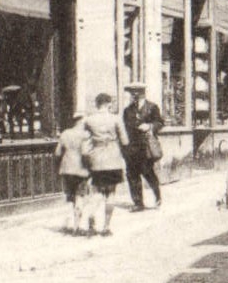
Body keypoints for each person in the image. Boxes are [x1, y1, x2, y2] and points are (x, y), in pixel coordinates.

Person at [79, 93, 125, 234]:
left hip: (96, 159)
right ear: (109, 103)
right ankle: (106, 227)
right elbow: (125, 141)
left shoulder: (88, 120)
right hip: (113, 159)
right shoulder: (116, 119)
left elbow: (83, 140)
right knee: (111, 193)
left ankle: (91, 217)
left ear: (96, 104)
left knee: (97, 191)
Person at [121, 80, 163, 210]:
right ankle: (138, 203)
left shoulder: (152, 107)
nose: (134, 95)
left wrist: (150, 126)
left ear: (143, 93)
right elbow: (125, 129)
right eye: (132, 92)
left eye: (137, 92)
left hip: (146, 147)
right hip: (131, 148)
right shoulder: (127, 110)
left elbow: (160, 123)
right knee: (132, 175)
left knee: (148, 173)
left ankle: (157, 196)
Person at [54, 108, 91, 235]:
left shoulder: (65, 133)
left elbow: (57, 152)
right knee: (80, 196)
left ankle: (69, 224)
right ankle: (78, 226)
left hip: (67, 169)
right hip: (81, 169)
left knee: (70, 197)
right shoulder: (86, 135)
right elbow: (87, 153)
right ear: (82, 121)